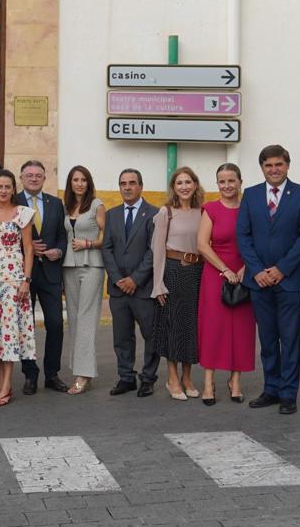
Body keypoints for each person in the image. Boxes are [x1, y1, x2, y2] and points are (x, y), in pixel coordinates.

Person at [237, 145, 300, 415]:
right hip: (258, 281)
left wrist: (281, 269)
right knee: (268, 338)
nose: (274, 169)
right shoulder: (250, 195)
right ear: (262, 167)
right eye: (269, 165)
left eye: (279, 164)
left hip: (289, 280)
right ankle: (271, 387)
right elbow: (243, 237)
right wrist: (258, 270)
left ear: (287, 165)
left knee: (290, 338)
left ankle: (288, 393)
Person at [197, 163, 254, 404]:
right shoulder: (210, 209)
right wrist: (226, 269)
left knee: (241, 329)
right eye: (222, 181)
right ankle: (208, 383)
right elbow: (202, 244)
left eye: (232, 180)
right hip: (215, 274)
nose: (227, 185)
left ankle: (236, 381)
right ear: (217, 184)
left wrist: (244, 269)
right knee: (213, 328)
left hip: (245, 273)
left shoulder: (250, 209)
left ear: (240, 182)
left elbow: (257, 242)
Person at [101, 169, 160, 397]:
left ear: (141, 186)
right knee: (122, 336)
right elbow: (106, 248)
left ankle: (148, 378)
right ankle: (126, 377)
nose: (127, 187)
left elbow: (153, 251)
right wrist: (117, 279)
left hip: (142, 288)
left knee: (150, 334)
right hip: (118, 289)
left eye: (132, 183)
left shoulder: (154, 214)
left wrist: (135, 279)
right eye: (123, 183)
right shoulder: (112, 214)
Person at [0, 170, 36, 406]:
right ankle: (1, 381)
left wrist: (26, 280)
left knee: (10, 332)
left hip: (14, 280)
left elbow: (29, 249)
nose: (3, 191)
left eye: (7, 187)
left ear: (14, 189)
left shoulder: (22, 213)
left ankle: (7, 385)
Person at [151, 167, 205, 400]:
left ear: (195, 185)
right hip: (172, 272)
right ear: (174, 187)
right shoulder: (166, 212)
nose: (184, 186)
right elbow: (157, 250)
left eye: (188, 182)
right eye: (179, 183)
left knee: (190, 327)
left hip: (196, 273)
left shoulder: (203, 211)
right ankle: (172, 379)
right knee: (172, 326)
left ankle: (187, 377)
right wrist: (157, 284)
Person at [16, 160, 68, 393]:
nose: (34, 178)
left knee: (56, 324)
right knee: (25, 326)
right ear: (21, 178)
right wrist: (26, 247)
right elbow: (3, 236)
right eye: (29, 175)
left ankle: (52, 373)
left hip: (51, 272)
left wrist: (59, 250)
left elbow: (62, 235)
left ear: (45, 178)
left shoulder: (56, 203)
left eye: (38, 175)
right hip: (21, 274)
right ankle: (30, 373)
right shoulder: (12, 202)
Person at [61, 166, 105, 395]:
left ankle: (83, 375)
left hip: (93, 265)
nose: (79, 183)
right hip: (69, 266)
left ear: (89, 183)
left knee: (87, 318)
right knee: (75, 318)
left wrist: (88, 244)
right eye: (75, 180)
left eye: (83, 180)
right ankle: (81, 369)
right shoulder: (65, 206)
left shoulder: (97, 205)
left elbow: (107, 237)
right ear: (70, 183)